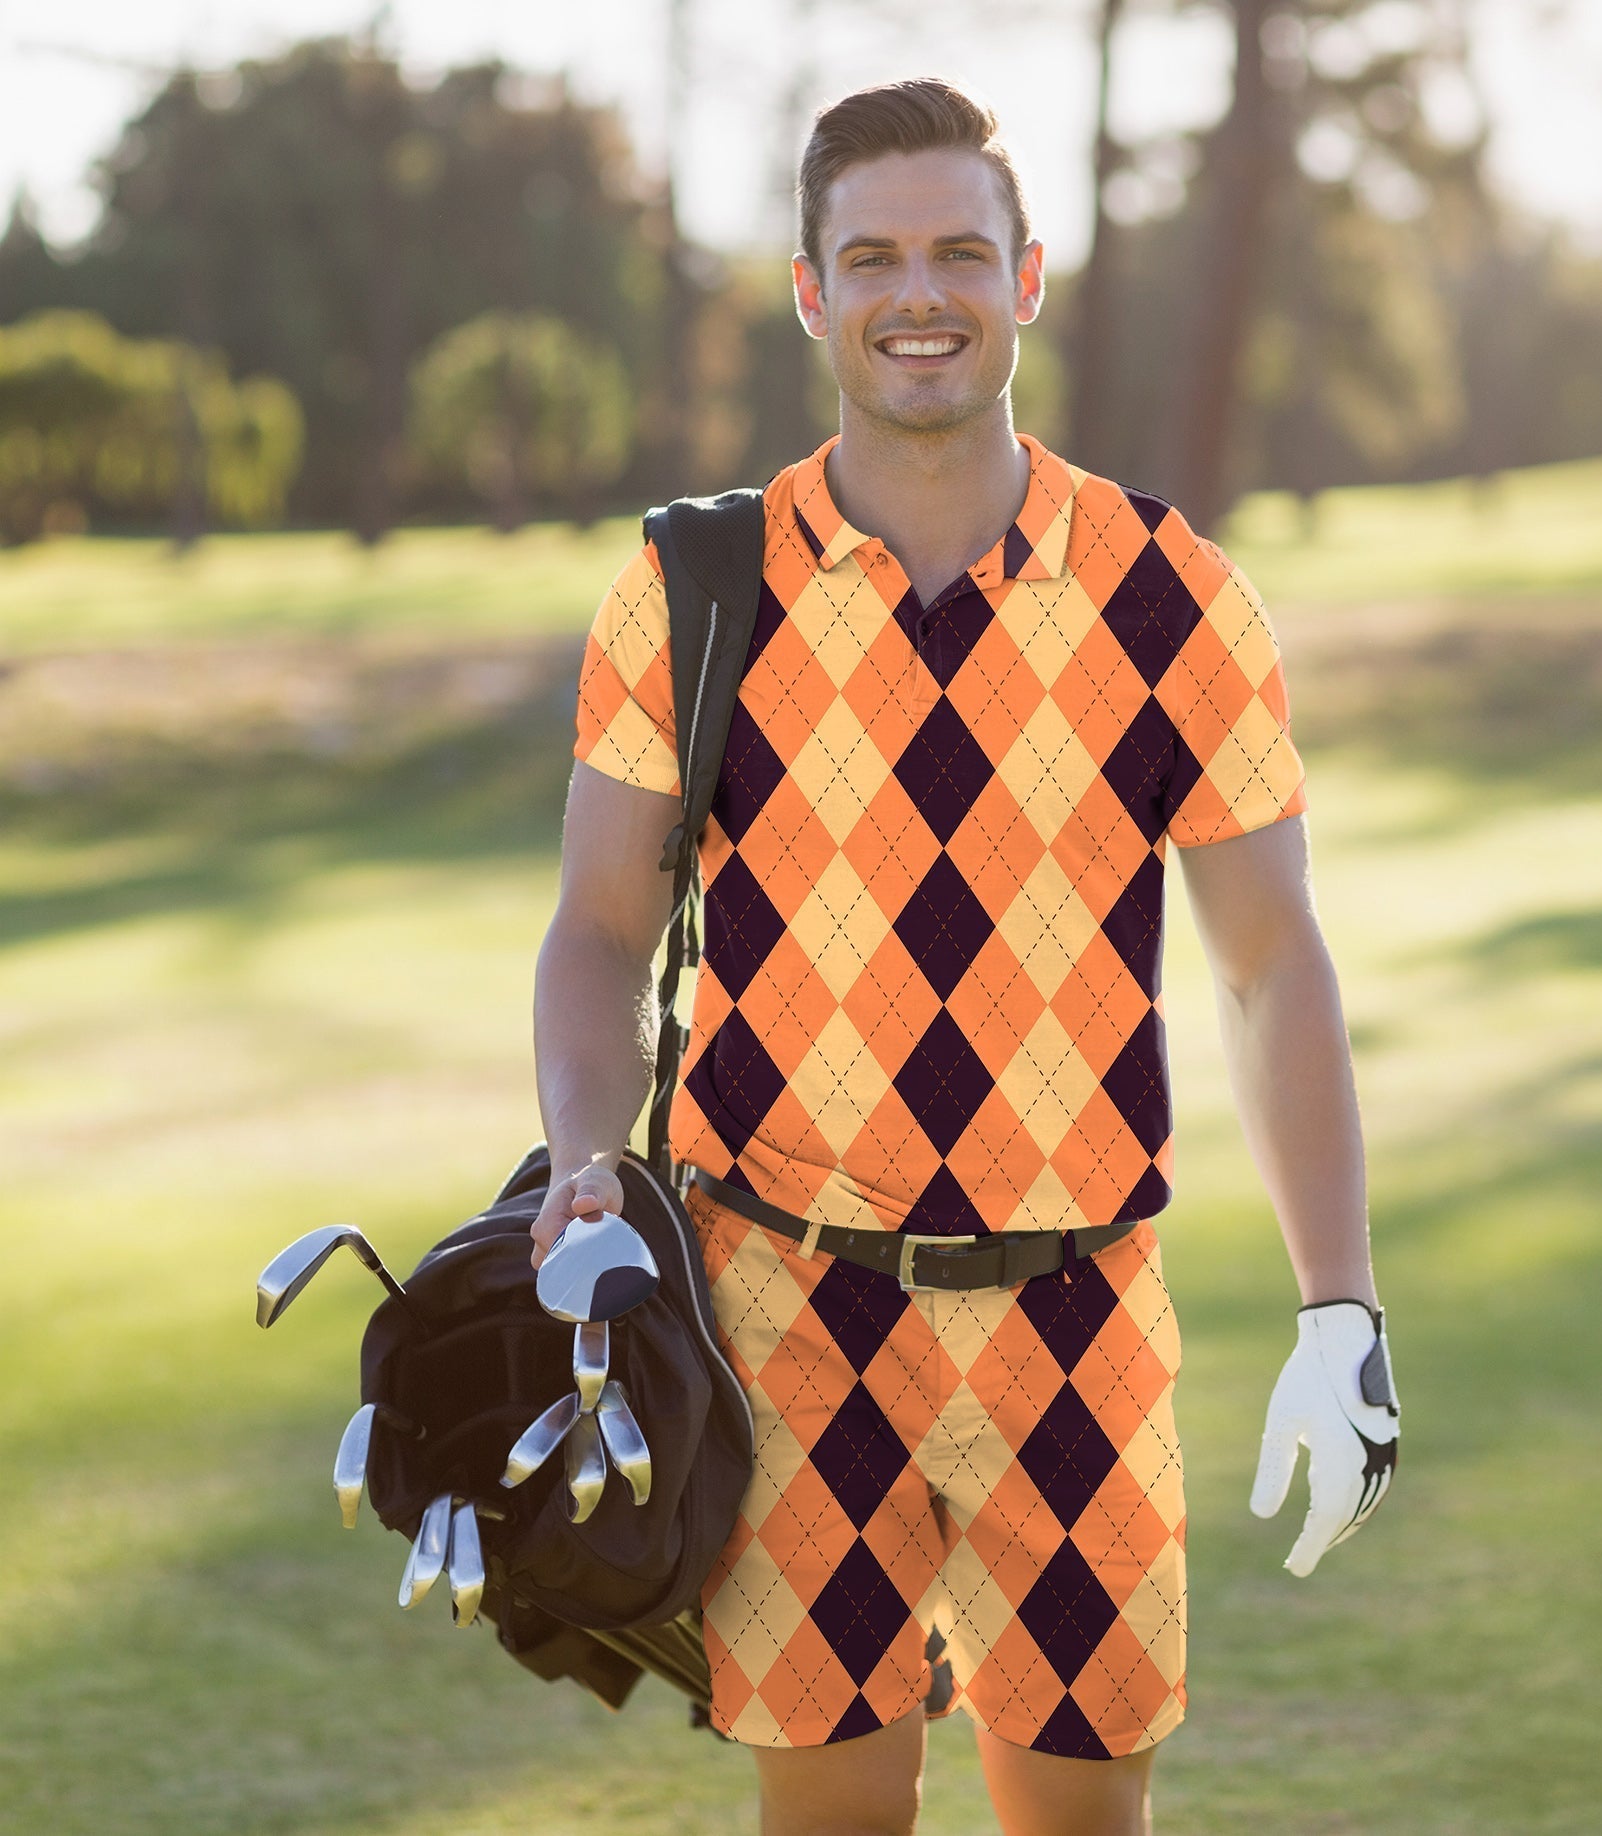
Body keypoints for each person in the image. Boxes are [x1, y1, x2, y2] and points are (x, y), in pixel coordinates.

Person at [531, 78, 1395, 1836]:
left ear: (1030, 277)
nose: (917, 292)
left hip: (1082, 1314)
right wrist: (582, 1164)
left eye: (957, 253)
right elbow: (603, 927)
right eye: (873, 257)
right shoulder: (697, 587)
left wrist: (1342, 1308)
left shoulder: (1174, 592)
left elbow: (1269, 967)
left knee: (1083, 1820)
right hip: (780, 1307)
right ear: (809, 291)